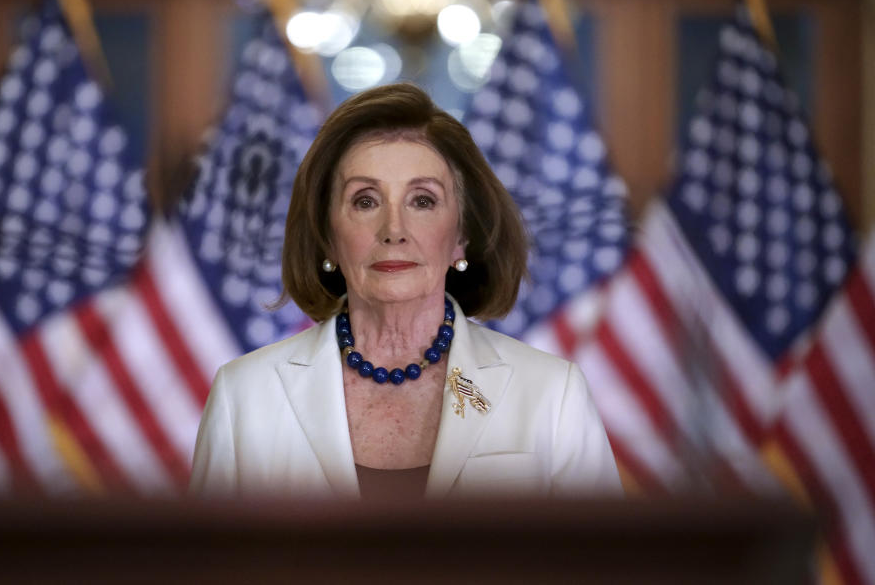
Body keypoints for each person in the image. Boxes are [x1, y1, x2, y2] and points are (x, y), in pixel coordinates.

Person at [190, 83, 621, 499]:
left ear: (461, 238)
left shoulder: (551, 393)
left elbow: (604, 569)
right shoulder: (243, 397)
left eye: (423, 200)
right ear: (327, 237)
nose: (393, 230)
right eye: (365, 201)